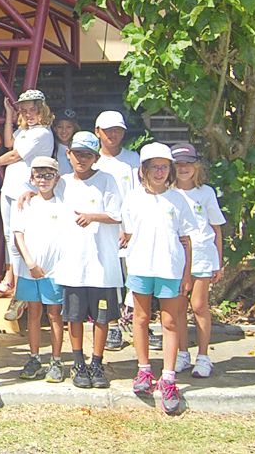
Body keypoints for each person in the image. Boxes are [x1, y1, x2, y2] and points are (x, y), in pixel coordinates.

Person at [122, 142, 195, 415]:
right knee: (140, 319)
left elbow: (186, 240)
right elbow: (128, 232)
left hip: (169, 269)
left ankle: (168, 377)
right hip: (141, 266)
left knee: (170, 321)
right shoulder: (132, 198)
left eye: (164, 167)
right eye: (154, 167)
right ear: (144, 170)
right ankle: (143, 370)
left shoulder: (177, 200)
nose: (160, 172)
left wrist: (186, 275)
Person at [53, 131, 123, 389]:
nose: (81, 159)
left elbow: (116, 214)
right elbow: (43, 195)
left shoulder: (107, 180)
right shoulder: (61, 182)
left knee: (102, 317)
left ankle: (97, 361)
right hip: (72, 263)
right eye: (77, 153)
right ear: (68, 154)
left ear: (95, 158)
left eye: (87, 155)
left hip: (101, 264)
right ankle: (78, 362)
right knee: (74, 317)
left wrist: (93, 216)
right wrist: (28, 195)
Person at [0, 89, 54, 318]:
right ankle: (9, 281)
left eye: (32, 109)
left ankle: (20, 293)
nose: (28, 114)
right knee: (9, 237)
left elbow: (14, 156)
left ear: (41, 109)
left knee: (20, 240)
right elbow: (8, 142)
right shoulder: (25, 130)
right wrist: (8, 115)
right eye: (24, 110)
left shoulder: (43, 133)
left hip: (26, 191)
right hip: (11, 188)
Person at [170, 142, 225, 379]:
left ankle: (203, 356)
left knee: (200, 305)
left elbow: (216, 229)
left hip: (202, 255)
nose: (183, 168)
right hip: (176, 256)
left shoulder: (206, 192)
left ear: (196, 166)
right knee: (178, 307)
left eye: (188, 163)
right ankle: (182, 353)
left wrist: (218, 262)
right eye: (178, 164)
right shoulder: (168, 193)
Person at [92, 110, 144, 352]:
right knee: (109, 278)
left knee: (135, 276)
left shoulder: (134, 159)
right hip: (102, 229)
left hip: (130, 229)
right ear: (97, 132)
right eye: (107, 130)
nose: (113, 135)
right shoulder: (93, 161)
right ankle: (111, 323)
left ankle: (137, 321)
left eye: (117, 130)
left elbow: (138, 195)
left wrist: (129, 227)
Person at [13, 157, 66, 384]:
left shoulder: (63, 203)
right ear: (31, 178)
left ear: (57, 178)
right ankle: (34, 357)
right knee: (33, 314)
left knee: (54, 314)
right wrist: (30, 263)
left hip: (55, 271)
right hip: (29, 269)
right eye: (38, 175)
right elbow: (18, 235)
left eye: (48, 175)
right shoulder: (25, 203)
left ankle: (56, 359)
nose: (43, 180)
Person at [52, 109, 79, 176]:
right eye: (60, 127)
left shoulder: (80, 148)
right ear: (55, 128)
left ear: (74, 128)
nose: (64, 131)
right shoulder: (51, 148)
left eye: (68, 127)